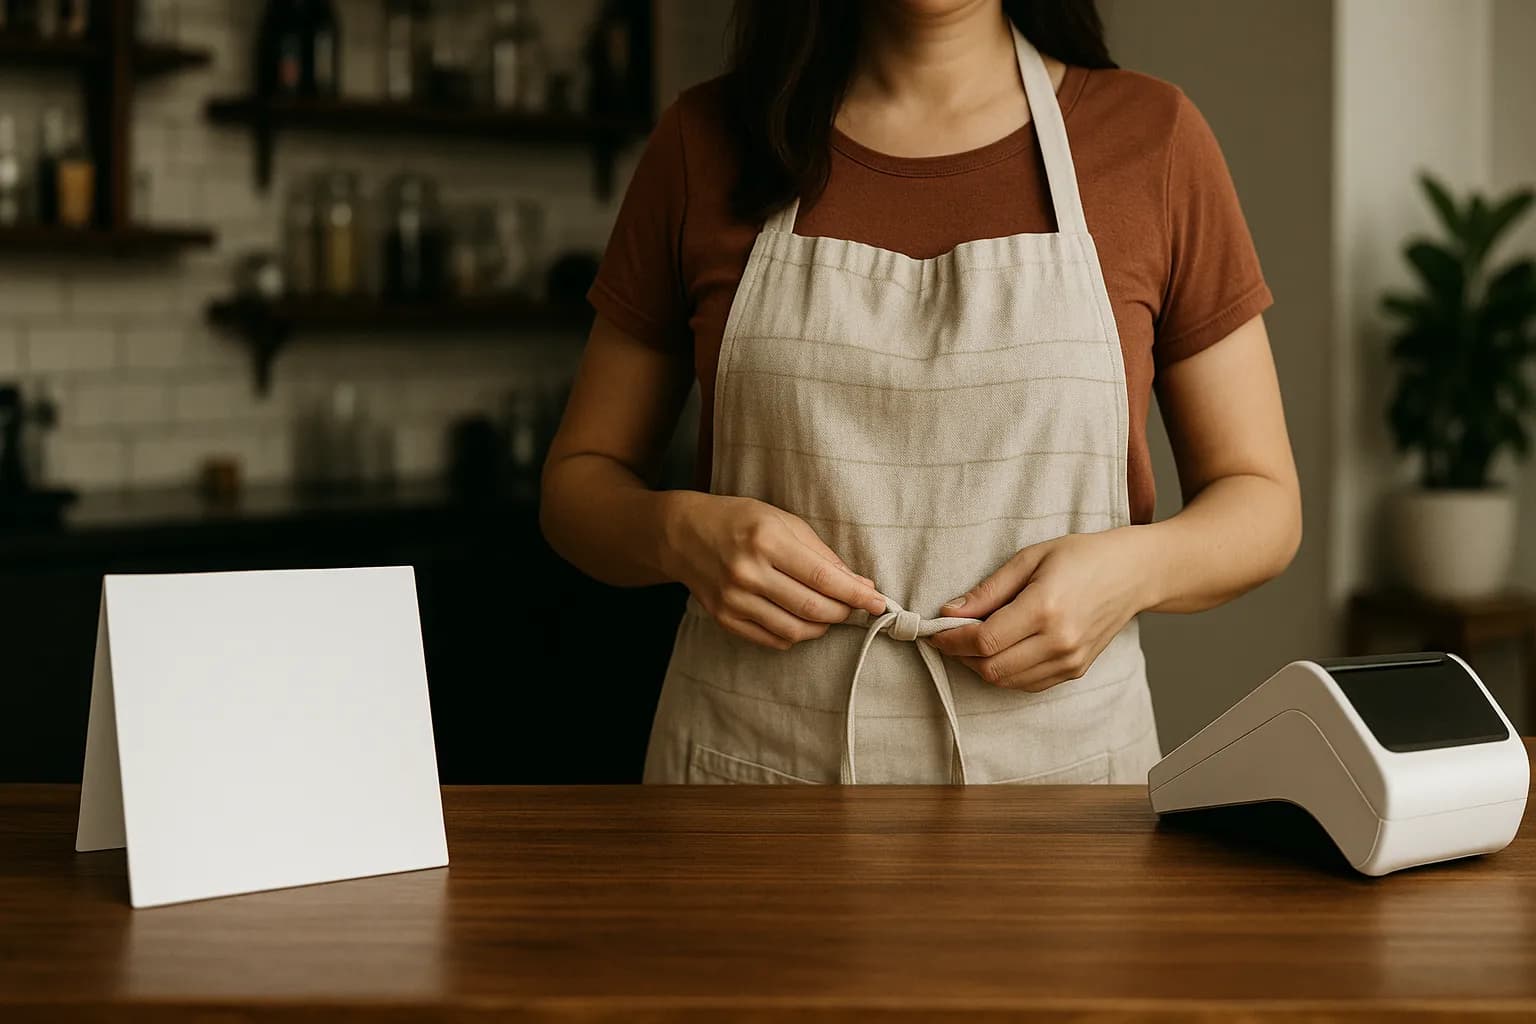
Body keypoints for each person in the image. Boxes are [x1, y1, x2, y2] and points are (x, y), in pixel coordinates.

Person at [540, 0, 1301, 785]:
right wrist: (677, 534)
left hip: (1065, 796)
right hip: (749, 787)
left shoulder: (1152, 136)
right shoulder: (704, 140)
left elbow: (1263, 503)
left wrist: (1131, 573)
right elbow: (577, 486)